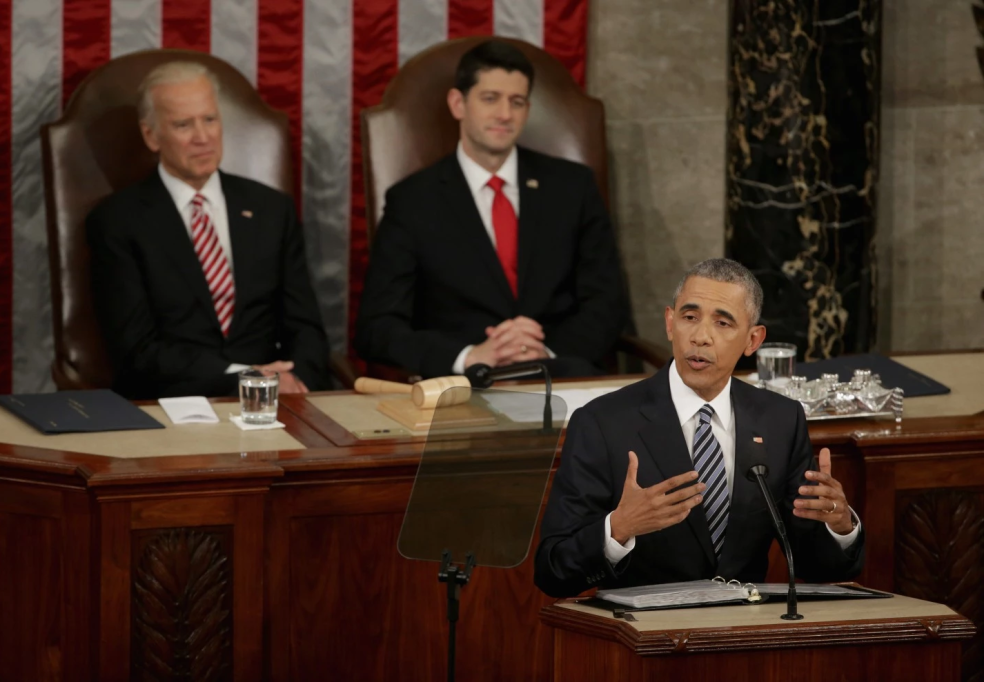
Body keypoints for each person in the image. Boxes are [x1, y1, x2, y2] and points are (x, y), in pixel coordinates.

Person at [534, 258, 864, 598]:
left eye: (723, 323)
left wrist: (839, 526)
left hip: (745, 634)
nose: (701, 337)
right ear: (669, 323)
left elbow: (818, 567)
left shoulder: (780, 420)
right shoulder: (603, 423)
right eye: (689, 317)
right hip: (645, 637)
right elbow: (552, 571)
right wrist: (618, 529)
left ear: (753, 340)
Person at [354, 40, 627, 380]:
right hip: (463, 388)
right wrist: (469, 356)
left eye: (517, 102)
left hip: (562, 376)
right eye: (490, 98)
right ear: (458, 104)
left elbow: (607, 304)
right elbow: (377, 327)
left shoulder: (573, 187)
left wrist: (545, 351)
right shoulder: (412, 201)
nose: (504, 114)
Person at [86, 61, 330, 399]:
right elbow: (137, 352)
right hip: (172, 405)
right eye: (183, 125)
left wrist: (298, 379)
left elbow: (305, 327)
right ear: (151, 135)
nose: (202, 138)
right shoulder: (118, 222)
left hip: (277, 402)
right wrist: (246, 379)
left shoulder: (271, 209)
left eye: (210, 120)